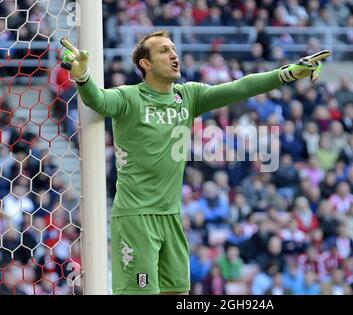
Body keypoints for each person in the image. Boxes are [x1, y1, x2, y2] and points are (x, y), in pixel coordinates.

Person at [60, 30, 330, 295]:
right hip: (136, 217)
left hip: (172, 216)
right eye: (164, 51)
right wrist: (83, 77)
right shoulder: (129, 97)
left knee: (178, 293)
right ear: (146, 63)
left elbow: (241, 87)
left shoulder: (188, 96)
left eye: (174, 49)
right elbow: (98, 100)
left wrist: (288, 74)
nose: (174, 55)